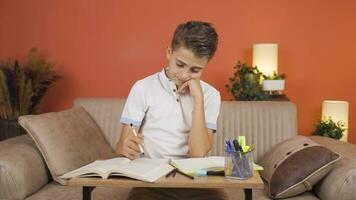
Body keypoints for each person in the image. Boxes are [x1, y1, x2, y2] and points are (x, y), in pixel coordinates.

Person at [116, 21, 228, 200]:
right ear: (169, 53)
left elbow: (198, 153)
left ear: (205, 66)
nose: (184, 75)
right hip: (151, 182)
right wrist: (125, 148)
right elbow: (122, 146)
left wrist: (198, 99)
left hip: (196, 182)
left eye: (195, 70)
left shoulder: (210, 95)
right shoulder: (143, 88)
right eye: (180, 64)